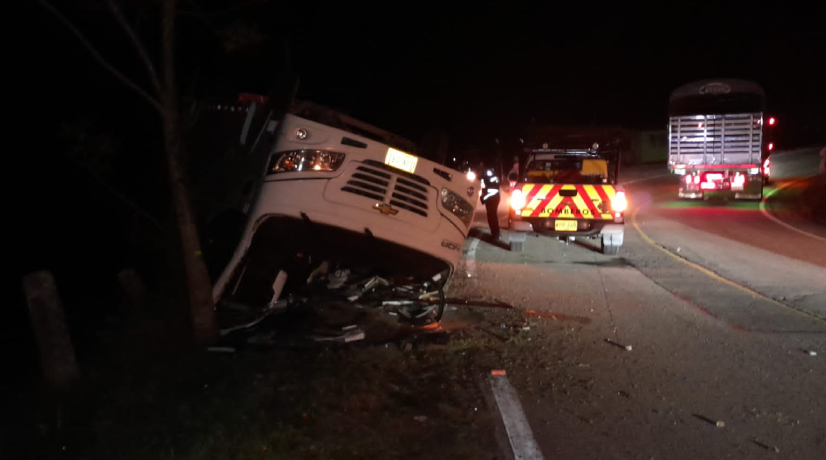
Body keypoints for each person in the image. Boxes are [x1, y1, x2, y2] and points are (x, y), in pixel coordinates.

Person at [480, 166, 501, 240]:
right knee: (490, 215)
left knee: (492, 215)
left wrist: (484, 198)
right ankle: (495, 233)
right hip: (489, 199)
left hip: (493, 199)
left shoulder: (495, 178)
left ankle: (496, 234)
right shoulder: (484, 178)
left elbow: (494, 189)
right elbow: (483, 188)